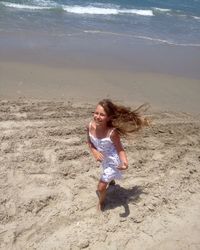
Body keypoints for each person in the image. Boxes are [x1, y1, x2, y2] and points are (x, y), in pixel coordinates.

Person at [86, 99, 148, 210]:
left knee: (100, 188)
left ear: (109, 117)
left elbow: (120, 149)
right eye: (96, 113)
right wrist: (94, 151)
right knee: (105, 171)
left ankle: (101, 202)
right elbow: (89, 142)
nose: (97, 117)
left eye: (102, 115)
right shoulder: (90, 126)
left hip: (113, 161)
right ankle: (112, 180)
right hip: (103, 158)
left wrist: (125, 163)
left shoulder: (112, 133)